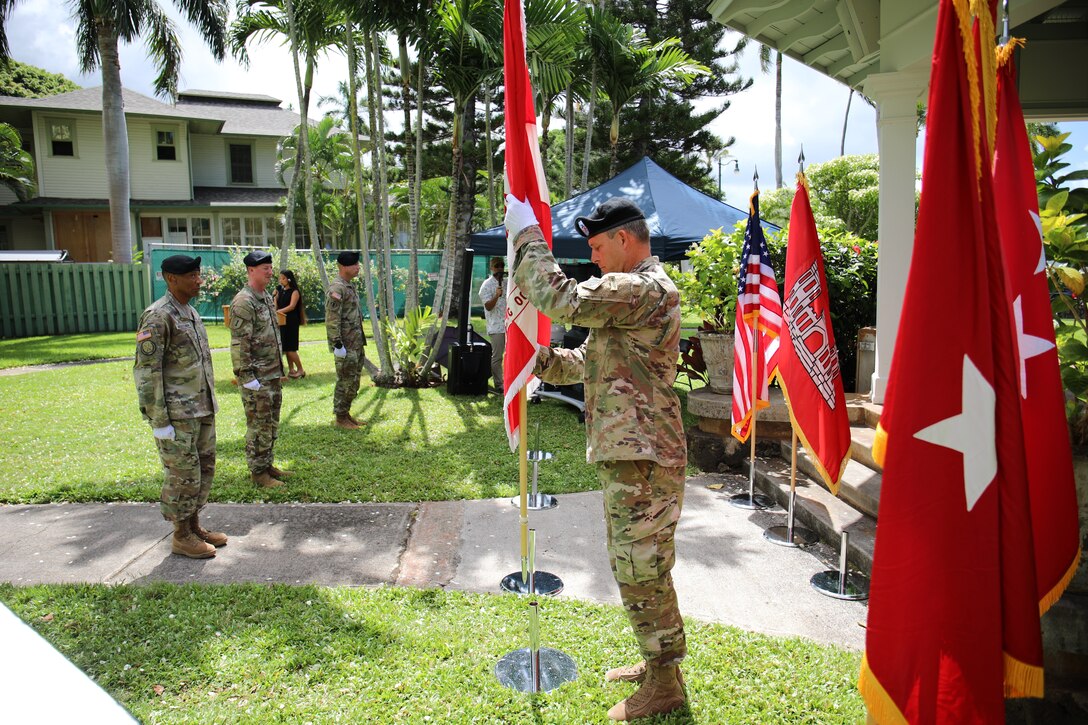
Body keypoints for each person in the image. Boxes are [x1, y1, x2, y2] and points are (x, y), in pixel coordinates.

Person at [505, 195, 688, 721]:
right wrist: (534, 360)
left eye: (598, 245)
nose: (594, 256)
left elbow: (560, 299)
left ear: (626, 241)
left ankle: (665, 680)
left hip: (645, 456)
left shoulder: (645, 288)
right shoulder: (630, 300)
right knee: (635, 564)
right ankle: (657, 665)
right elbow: (589, 361)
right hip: (633, 452)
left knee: (641, 565)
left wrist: (527, 236)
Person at [133, 254, 225, 559]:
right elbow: (147, 371)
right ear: (171, 278)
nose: (198, 280)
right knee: (182, 475)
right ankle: (181, 535)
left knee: (203, 471)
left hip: (200, 407)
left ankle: (194, 525)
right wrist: (159, 419)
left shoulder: (190, 312)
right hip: (177, 413)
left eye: (198, 275)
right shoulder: (158, 316)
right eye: (191, 276)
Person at [229, 250, 292, 488]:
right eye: (264, 268)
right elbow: (239, 342)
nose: (269, 272)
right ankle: (258, 473)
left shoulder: (264, 296)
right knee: (258, 425)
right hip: (256, 376)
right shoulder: (244, 302)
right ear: (251, 270)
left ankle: (267, 464)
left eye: (270, 267)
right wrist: (246, 376)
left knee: (271, 422)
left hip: (271, 373)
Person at [325, 250, 367, 429]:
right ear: (342, 267)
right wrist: (337, 344)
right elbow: (332, 318)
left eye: (358, 264)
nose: (358, 268)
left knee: (354, 381)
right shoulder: (337, 288)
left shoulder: (348, 285)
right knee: (345, 381)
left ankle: (346, 413)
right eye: (354, 265)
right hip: (345, 344)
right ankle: (340, 417)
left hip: (355, 342)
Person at [478, 256, 507, 392]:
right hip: (496, 327)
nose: (500, 268)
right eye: (497, 266)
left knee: (511, 355)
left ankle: (509, 382)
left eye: (502, 265)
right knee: (497, 356)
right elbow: (488, 307)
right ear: (491, 268)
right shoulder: (486, 285)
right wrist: (496, 295)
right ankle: (499, 385)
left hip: (510, 325)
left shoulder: (508, 283)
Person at [275, 269, 307, 379]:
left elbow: (292, 306)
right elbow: (276, 305)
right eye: (280, 278)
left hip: (291, 321)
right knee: (286, 347)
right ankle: (291, 369)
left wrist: (279, 312)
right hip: (282, 321)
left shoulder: (294, 291)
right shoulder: (281, 291)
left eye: (283, 278)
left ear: (289, 279)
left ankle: (301, 370)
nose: (281, 280)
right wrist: (275, 296)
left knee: (291, 348)